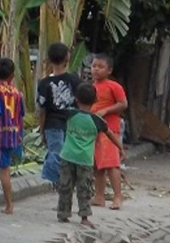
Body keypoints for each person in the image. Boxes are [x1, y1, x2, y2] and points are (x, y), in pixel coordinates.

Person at [57, 83, 124, 227]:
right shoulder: (97, 120)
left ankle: (63, 213)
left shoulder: (70, 114)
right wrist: (120, 148)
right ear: (95, 100)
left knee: (65, 186)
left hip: (67, 156)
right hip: (85, 160)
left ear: (76, 99)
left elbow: (55, 114)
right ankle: (84, 217)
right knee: (84, 188)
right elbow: (110, 134)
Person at [37, 43, 83, 184]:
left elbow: (41, 110)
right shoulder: (75, 80)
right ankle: (62, 182)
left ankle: (56, 180)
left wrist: (41, 129)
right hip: (72, 123)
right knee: (66, 155)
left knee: (56, 152)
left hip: (52, 124)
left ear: (49, 60)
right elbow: (81, 104)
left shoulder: (44, 83)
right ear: (67, 58)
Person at [0, 58, 24, 214]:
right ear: (12, 75)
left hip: (2, 133)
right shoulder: (17, 93)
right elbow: (21, 115)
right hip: (13, 132)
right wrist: (20, 133)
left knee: (5, 169)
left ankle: (9, 205)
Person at [90, 54, 128, 210]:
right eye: (94, 66)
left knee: (112, 164)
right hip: (93, 129)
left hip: (109, 129)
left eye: (100, 67)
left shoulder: (114, 86)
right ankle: (99, 196)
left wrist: (106, 110)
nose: (96, 69)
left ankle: (117, 197)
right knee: (97, 164)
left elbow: (123, 104)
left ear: (109, 70)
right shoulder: (91, 87)